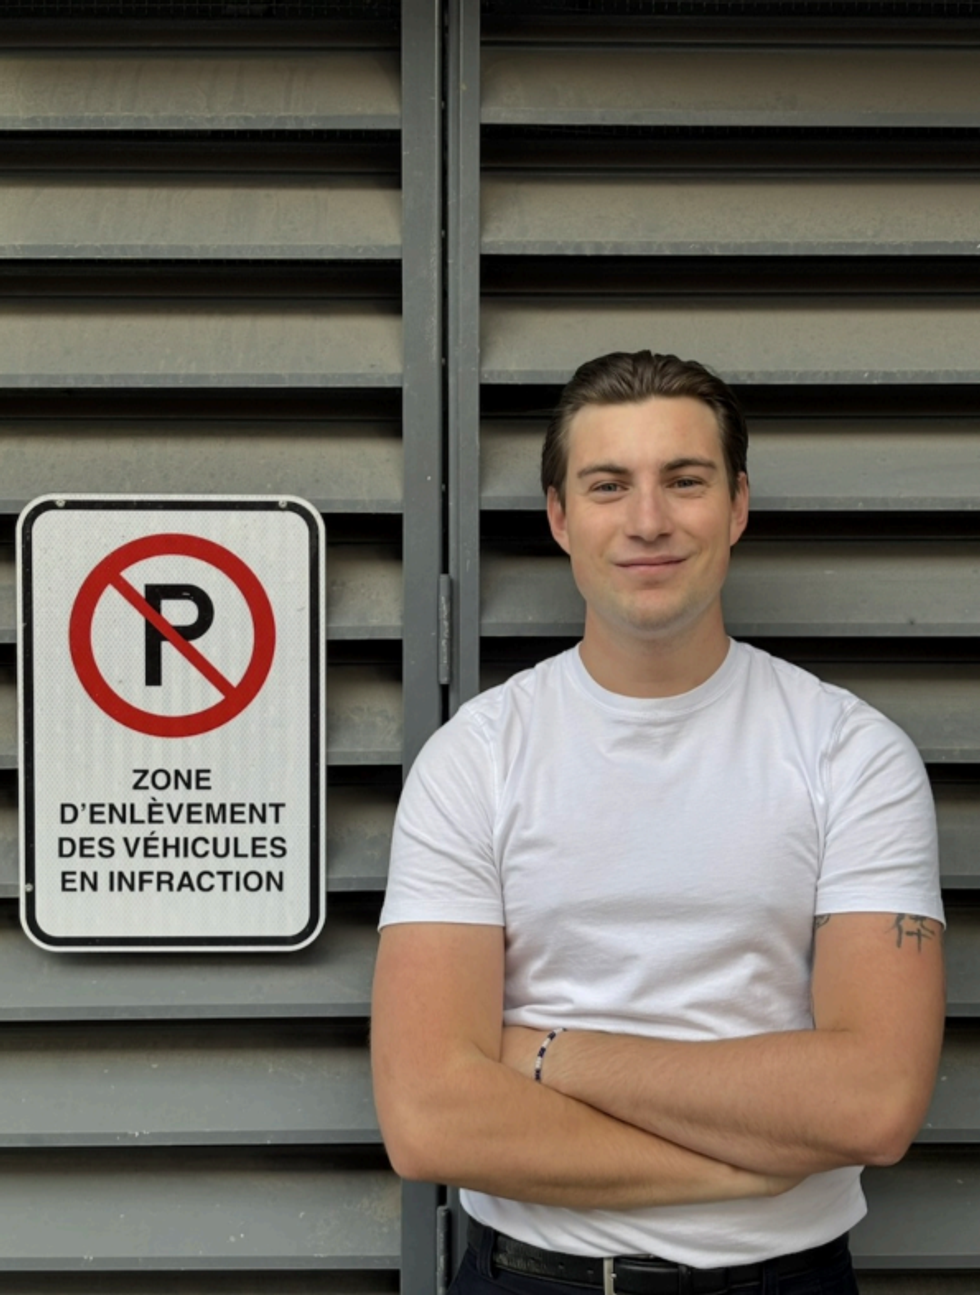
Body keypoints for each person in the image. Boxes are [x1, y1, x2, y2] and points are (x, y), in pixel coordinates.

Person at [371, 350, 945, 1295]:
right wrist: (743, 1166)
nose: (648, 520)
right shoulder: (477, 757)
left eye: (685, 480)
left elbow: (874, 1101)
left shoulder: (850, 753)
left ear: (738, 504)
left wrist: (547, 1052)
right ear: (560, 516)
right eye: (608, 485)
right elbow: (431, 1119)